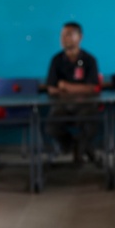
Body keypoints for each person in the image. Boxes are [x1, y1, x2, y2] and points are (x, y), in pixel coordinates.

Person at [45, 21, 101, 164]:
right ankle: (76, 146)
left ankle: (81, 148)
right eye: (62, 35)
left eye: (69, 35)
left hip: (85, 105)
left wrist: (65, 86)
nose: (64, 38)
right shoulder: (56, 60)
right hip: (62, 105)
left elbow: (90, 88)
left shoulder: (89, 60)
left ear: (80, 37)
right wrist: (75, 88)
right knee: (52, 126)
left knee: (91, 123)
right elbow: (52, 88)